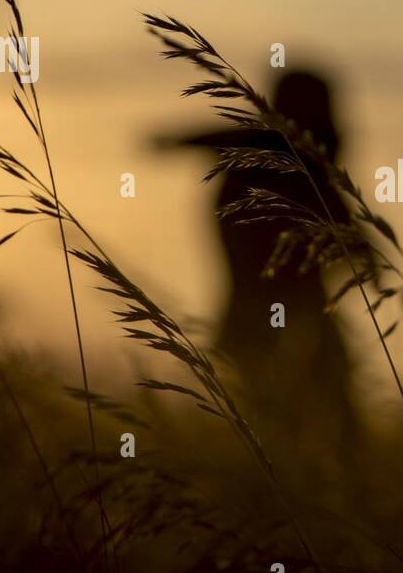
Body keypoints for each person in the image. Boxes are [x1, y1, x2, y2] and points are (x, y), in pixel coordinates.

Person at [154, 69, 363, 466]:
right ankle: (318, 480)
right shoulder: (286, 162)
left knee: (287, 408)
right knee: (295, 408)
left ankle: (299, 479)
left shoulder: (288, 163)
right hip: (281, 308)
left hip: (275, 309)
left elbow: (348, 237)